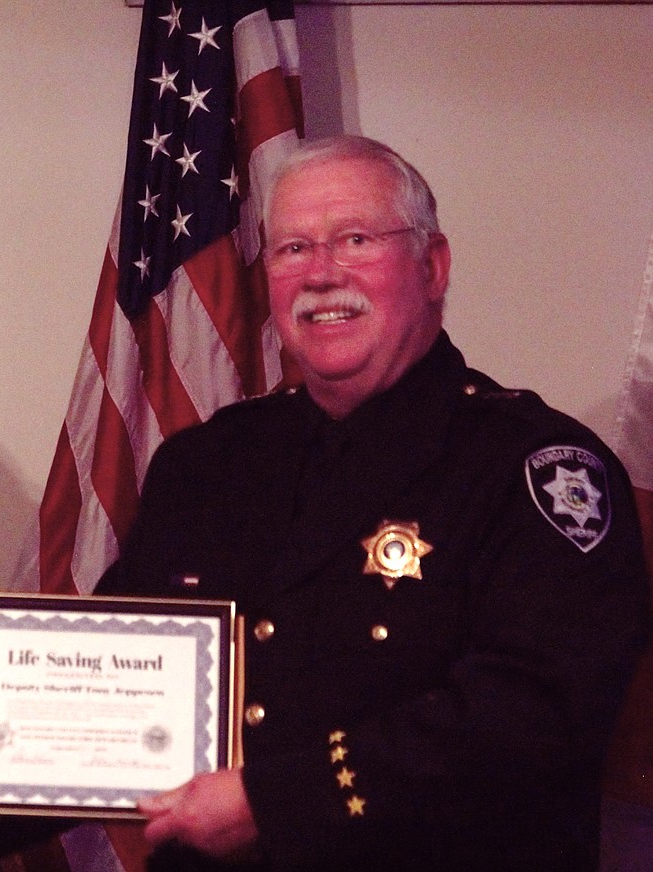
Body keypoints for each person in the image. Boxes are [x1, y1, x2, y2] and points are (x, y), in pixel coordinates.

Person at [95, 135, 650, 870]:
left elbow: (532, 716)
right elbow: (104, 671)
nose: (322, 275)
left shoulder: (534, 469)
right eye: (293, 249)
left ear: (432, 265)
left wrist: (276, 800)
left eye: (356, 239)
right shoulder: (206, 463)